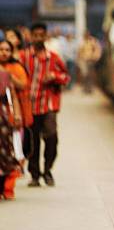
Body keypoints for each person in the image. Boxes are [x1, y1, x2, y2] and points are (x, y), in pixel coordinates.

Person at [20, 23, 70, 187]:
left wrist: (54, 76)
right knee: (32, 142)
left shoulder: (54, 58)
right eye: (36, 35)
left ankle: (47, 170)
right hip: (30, 105)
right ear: (31, 37)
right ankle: (35, 175)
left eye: (42, 35)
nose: (39, 38)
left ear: (46, 36)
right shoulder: (23, 57)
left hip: (48, 105)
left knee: (51, 138)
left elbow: (66, 78)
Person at [0, 39, 27, 200]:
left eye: (6, 50)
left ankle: (6, 188)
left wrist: (17, 115)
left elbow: (14, 96)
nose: (3, 53)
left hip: (3, 119)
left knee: (5, 153)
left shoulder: (8, 73)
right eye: (0, 49)